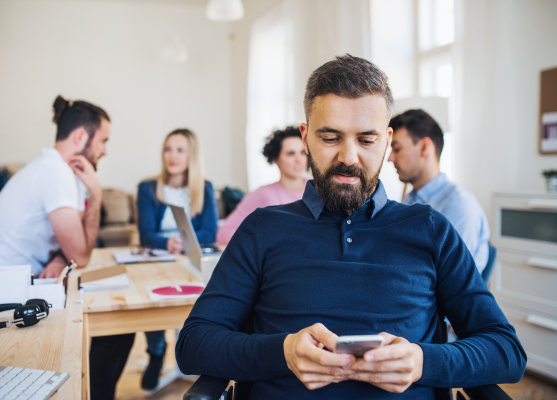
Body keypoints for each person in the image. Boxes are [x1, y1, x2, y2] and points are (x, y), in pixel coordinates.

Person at [175, 54, 526, 399]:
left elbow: (507, 352)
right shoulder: (262, 229)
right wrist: (282, 352)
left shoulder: (431, 229)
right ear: (306, 137)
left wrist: (423, 361)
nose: (348, 157)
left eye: (366, 140)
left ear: (386, 141)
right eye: (330, 138)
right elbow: (193, 344)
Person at [0, 95, 109, 284]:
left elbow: (76, 244)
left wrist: (61, 258)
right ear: (80, 137)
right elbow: (81, 257)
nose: (105, 151)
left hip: (16, 283)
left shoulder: (66, 171)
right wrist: (96, 193)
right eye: (103, 141)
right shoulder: (55, 173)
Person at [136, 128, 218, 393]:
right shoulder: (148, 188)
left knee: (195, 297)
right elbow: (146, 233)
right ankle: (156, 351)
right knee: (152, 300)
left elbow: (210, 232)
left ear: (191, 155)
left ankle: (187, 350)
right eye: (168, 149)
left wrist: (185, 242)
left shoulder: (204, 188)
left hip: (188, 257)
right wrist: (166, 242)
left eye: (180, 150)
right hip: (159, 258)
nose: (172, 156)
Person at [388, 109, 490, 274]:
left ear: (424, 148)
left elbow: (452, 278)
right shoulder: (409, 200)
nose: (390, 158)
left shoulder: (460, 205)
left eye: (397, 149)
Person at [217, 126, 308, 245]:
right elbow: (224, 233)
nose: (299, 160)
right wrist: (262, 242)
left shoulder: (319, 191)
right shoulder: (262, 194)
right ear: (276, 159)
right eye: (290, 154)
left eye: (303, 152)